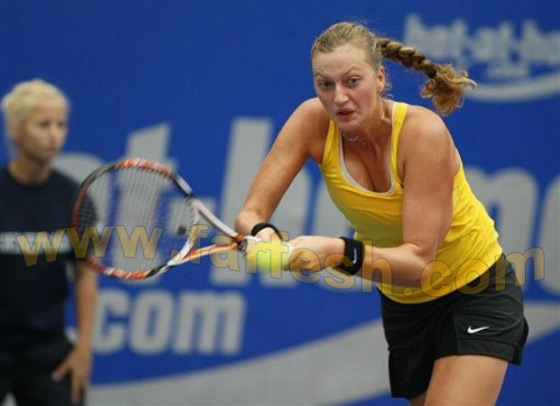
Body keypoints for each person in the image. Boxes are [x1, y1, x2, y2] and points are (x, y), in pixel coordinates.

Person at [235, 22, 528, 405]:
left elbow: (419, 263)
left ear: (380, 78)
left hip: (476, 291)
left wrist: (336, 251)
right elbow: (250, 213)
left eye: (352, 81)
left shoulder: (423, 134)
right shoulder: (310, 121)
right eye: (325, 84)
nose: (339, 98)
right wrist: (265, 236)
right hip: (405, 307)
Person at [0, 79, 97, 405]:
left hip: (47, 349)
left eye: (60, 125)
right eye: (43, 125)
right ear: (16, 131)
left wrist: (83, 350)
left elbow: (85, 276)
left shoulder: (76, 198)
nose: (54, 135)